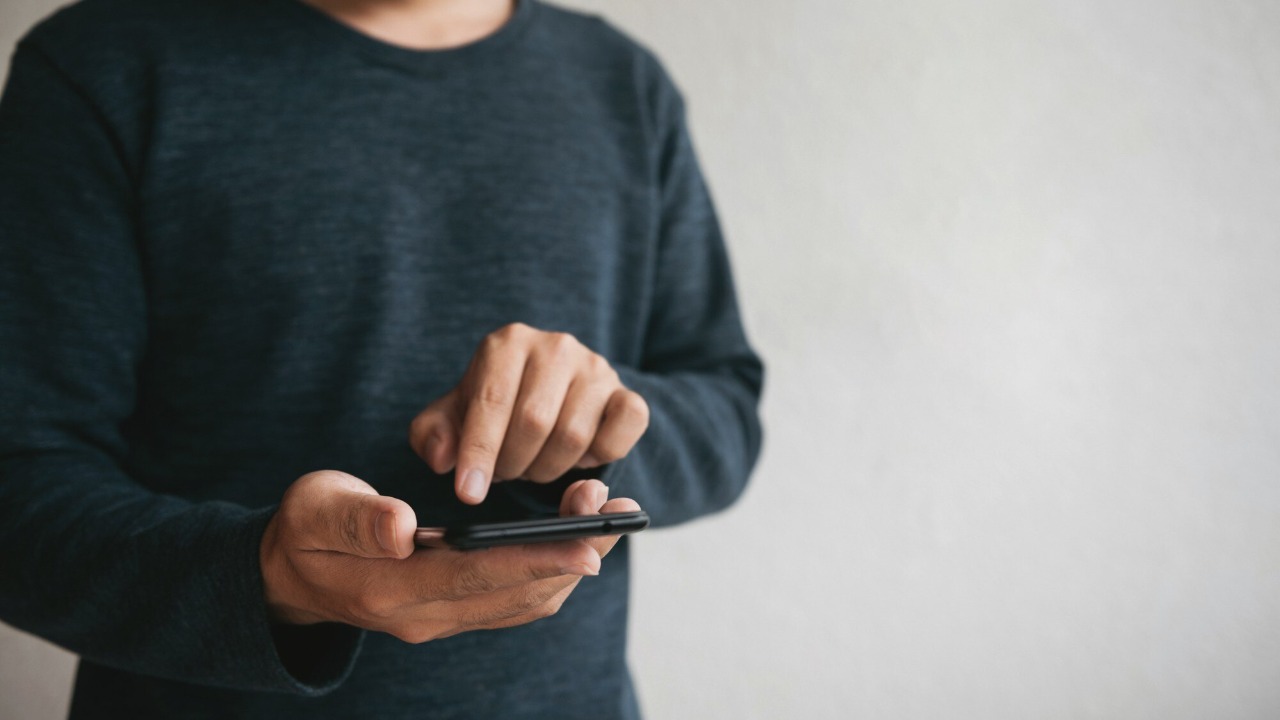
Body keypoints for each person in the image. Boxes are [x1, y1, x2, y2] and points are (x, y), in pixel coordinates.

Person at [0, 0, 763, 716]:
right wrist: (264, 573)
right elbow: (20, 478)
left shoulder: (622, 82)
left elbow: (726, 406)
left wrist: (597, 429)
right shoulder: (102, 65)